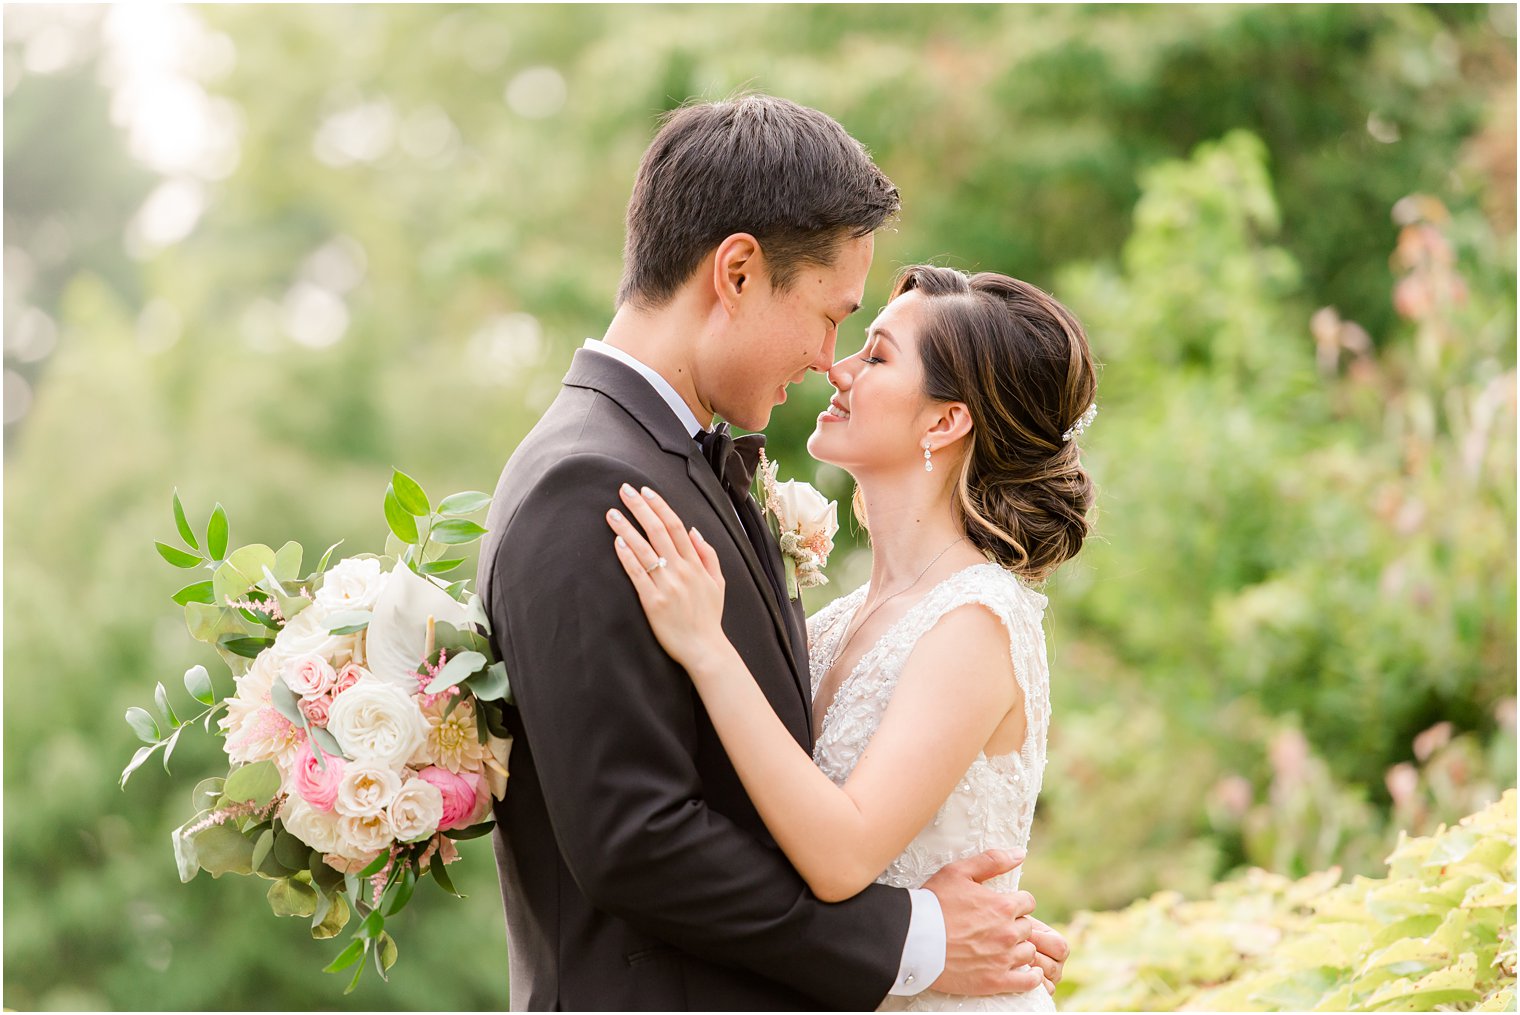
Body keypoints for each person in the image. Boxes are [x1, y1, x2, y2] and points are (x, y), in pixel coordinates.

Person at [477, 94, 1069, 1011]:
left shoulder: (681, 466)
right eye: (835, 319)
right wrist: (914, 938)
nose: (830, 361)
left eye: (868, 348)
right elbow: (637, 839)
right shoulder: (590, 482)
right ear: (739, 272)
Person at [606, 264, 1098, 1011]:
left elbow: (841, 854)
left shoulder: (976, 619)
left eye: (876, 356)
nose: (836, 368)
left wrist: (707, 647)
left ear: (944, 422)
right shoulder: (837, 621)